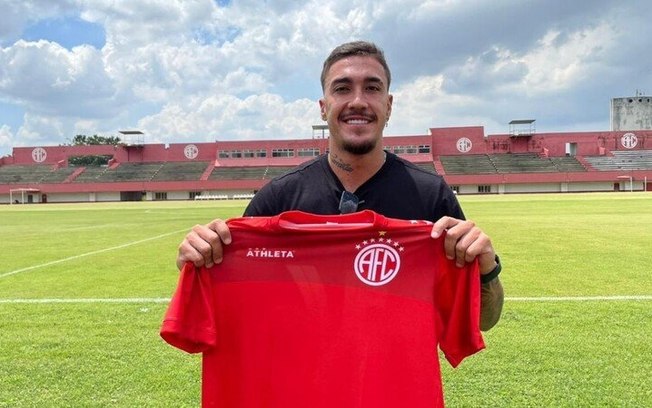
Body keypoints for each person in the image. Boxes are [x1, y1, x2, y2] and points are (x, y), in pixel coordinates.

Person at [176, 40, 504, 331]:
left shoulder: (431, 196)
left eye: (372, 88)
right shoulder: (277, 198)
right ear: (324, 108)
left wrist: (487, 270)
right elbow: (228, 313)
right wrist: (201, 263)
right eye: (342, 88)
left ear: (389, 106)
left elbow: (482, 321)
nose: (358, 101)